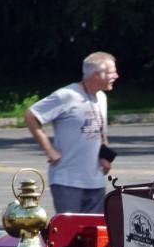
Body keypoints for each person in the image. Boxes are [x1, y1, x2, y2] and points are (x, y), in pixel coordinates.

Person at [25, 51, 118, 214]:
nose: (116, 76)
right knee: (69, 235)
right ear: (96, 75)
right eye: (111, 72)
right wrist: (50, 150)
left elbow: (100, 131)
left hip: (95, 181)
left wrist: (105, 156)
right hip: (67, 180)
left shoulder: (101, 97)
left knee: (94, 235)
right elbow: (31, 115)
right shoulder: (67, 96)